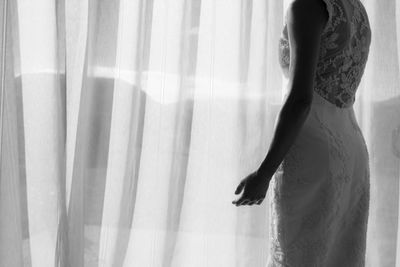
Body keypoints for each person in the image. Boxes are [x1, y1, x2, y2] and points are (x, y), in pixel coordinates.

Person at [232, 0, 371, 265]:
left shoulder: (306, 6)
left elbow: (300, 100)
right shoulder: (356, 7)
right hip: (352, 146)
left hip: (312, 148)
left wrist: (264, 173)